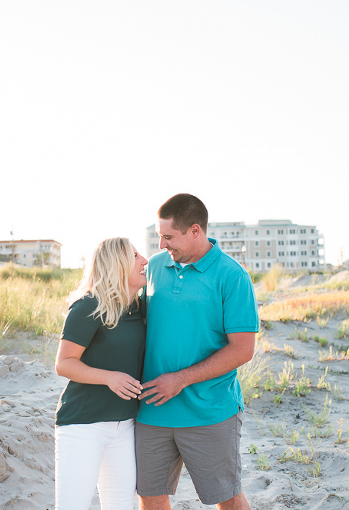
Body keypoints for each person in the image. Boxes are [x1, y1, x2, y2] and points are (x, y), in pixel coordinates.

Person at [136, 194, 260, 510]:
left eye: (168, 236)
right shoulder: (155, 268)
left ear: (194, 231)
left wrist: (181, 379)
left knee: (227, 499)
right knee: (149, 495)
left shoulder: (232, 276)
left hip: (210, 410)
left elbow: (243, 350)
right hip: (153, 407)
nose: (162, 244)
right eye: (159, 236)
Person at [54, 237, 148, 510]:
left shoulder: (141, 308)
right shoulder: (88, 306)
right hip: (83, 425)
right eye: (135, 256)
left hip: (125, 425)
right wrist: (110, 377)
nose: (144, 260)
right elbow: (64, 364)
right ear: (117, 265)